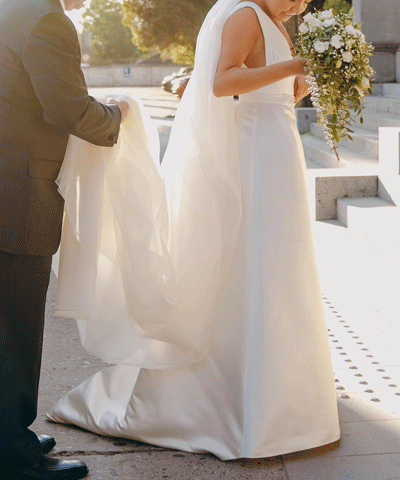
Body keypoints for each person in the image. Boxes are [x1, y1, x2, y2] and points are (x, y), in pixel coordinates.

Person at [48, 0, 341, 461]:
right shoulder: (244, 13)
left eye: (305, 2)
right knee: (255, 267)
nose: (300, 4)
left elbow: (272, 90)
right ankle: (237, 405)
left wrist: (303, 81)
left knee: (280, 269)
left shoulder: (276, 24)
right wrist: (292, 66)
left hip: (277, 151)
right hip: (255, 158)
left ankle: (283, 399)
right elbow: (220, 83)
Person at [0, 0, 129, 478]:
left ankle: (11, 430)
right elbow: (65, 107)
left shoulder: (14, 10)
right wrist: (116, 117)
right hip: (16, 193)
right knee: (14, 329)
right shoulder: (46, 19)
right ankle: (12, 453)